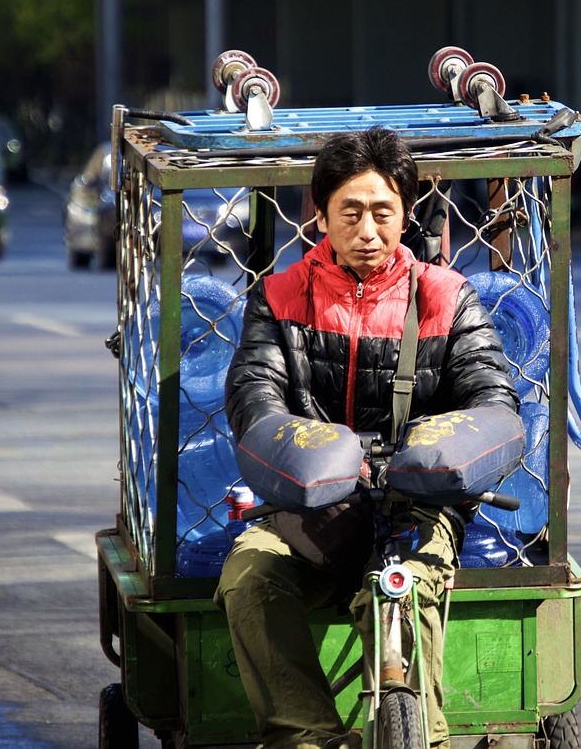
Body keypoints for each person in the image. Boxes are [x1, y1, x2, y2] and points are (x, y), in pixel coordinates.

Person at [216, 126, 519, 749]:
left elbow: (493, 396)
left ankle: (423, 737)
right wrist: (317, 459)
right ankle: (309, 737)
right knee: (249, 575)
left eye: (383, 212)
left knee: (405, 594)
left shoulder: (447, 298)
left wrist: (433, 457)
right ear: (321, 214)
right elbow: (253, 397)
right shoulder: (278, 297)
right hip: (309, 509)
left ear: (406, 214)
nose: (368, 230)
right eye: (349, 212)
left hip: (414, 505)